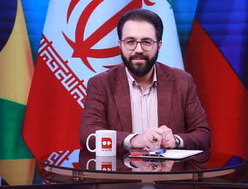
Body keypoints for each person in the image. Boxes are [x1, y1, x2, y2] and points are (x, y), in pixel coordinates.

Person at [78, 9, 211, 152]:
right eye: (130, 42)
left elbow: (203, 135)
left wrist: (175, 140)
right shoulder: (101, 84)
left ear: (159, 45)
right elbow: (88, 135)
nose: (138, 49)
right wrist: (134, 140)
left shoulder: (182, 81)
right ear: (120, 44)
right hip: (120, 167)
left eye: (146, 42)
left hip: (169, 167)